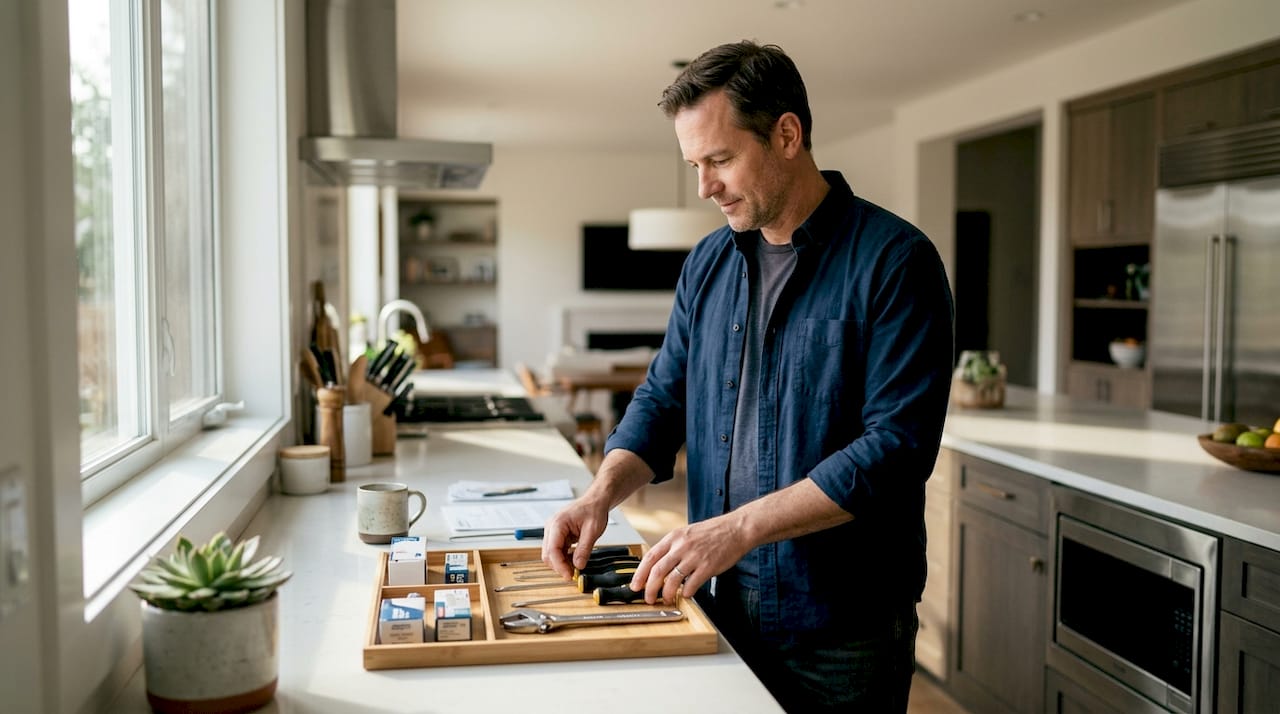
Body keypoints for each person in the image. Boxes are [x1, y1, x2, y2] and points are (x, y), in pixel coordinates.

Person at [542, 40, 954, 713]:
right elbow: (663, 396)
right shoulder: (706, 265)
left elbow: (896, 450)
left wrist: (737, 529)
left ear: (787, 134)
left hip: (843, 629)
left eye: (721, 159)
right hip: (721, 602)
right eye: (695, 165)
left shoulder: (895, 262)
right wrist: (601, 495)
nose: (705, 186)